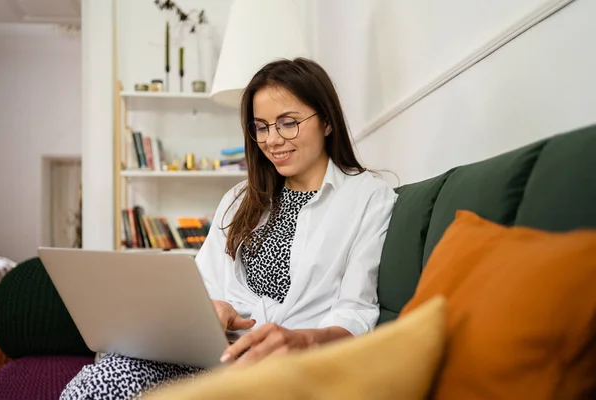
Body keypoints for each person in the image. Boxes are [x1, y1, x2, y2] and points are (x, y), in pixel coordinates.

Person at [59, 57, 396, 400]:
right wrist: (211, 309)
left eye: (288, 123)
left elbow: (357, 311)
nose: (272, 140)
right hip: (217, 356)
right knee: (104, 377)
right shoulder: (240, 199)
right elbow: (205, 282)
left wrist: (301, 340)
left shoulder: (367, 197)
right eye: (261, 127)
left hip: (286, 368)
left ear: (326, 121)